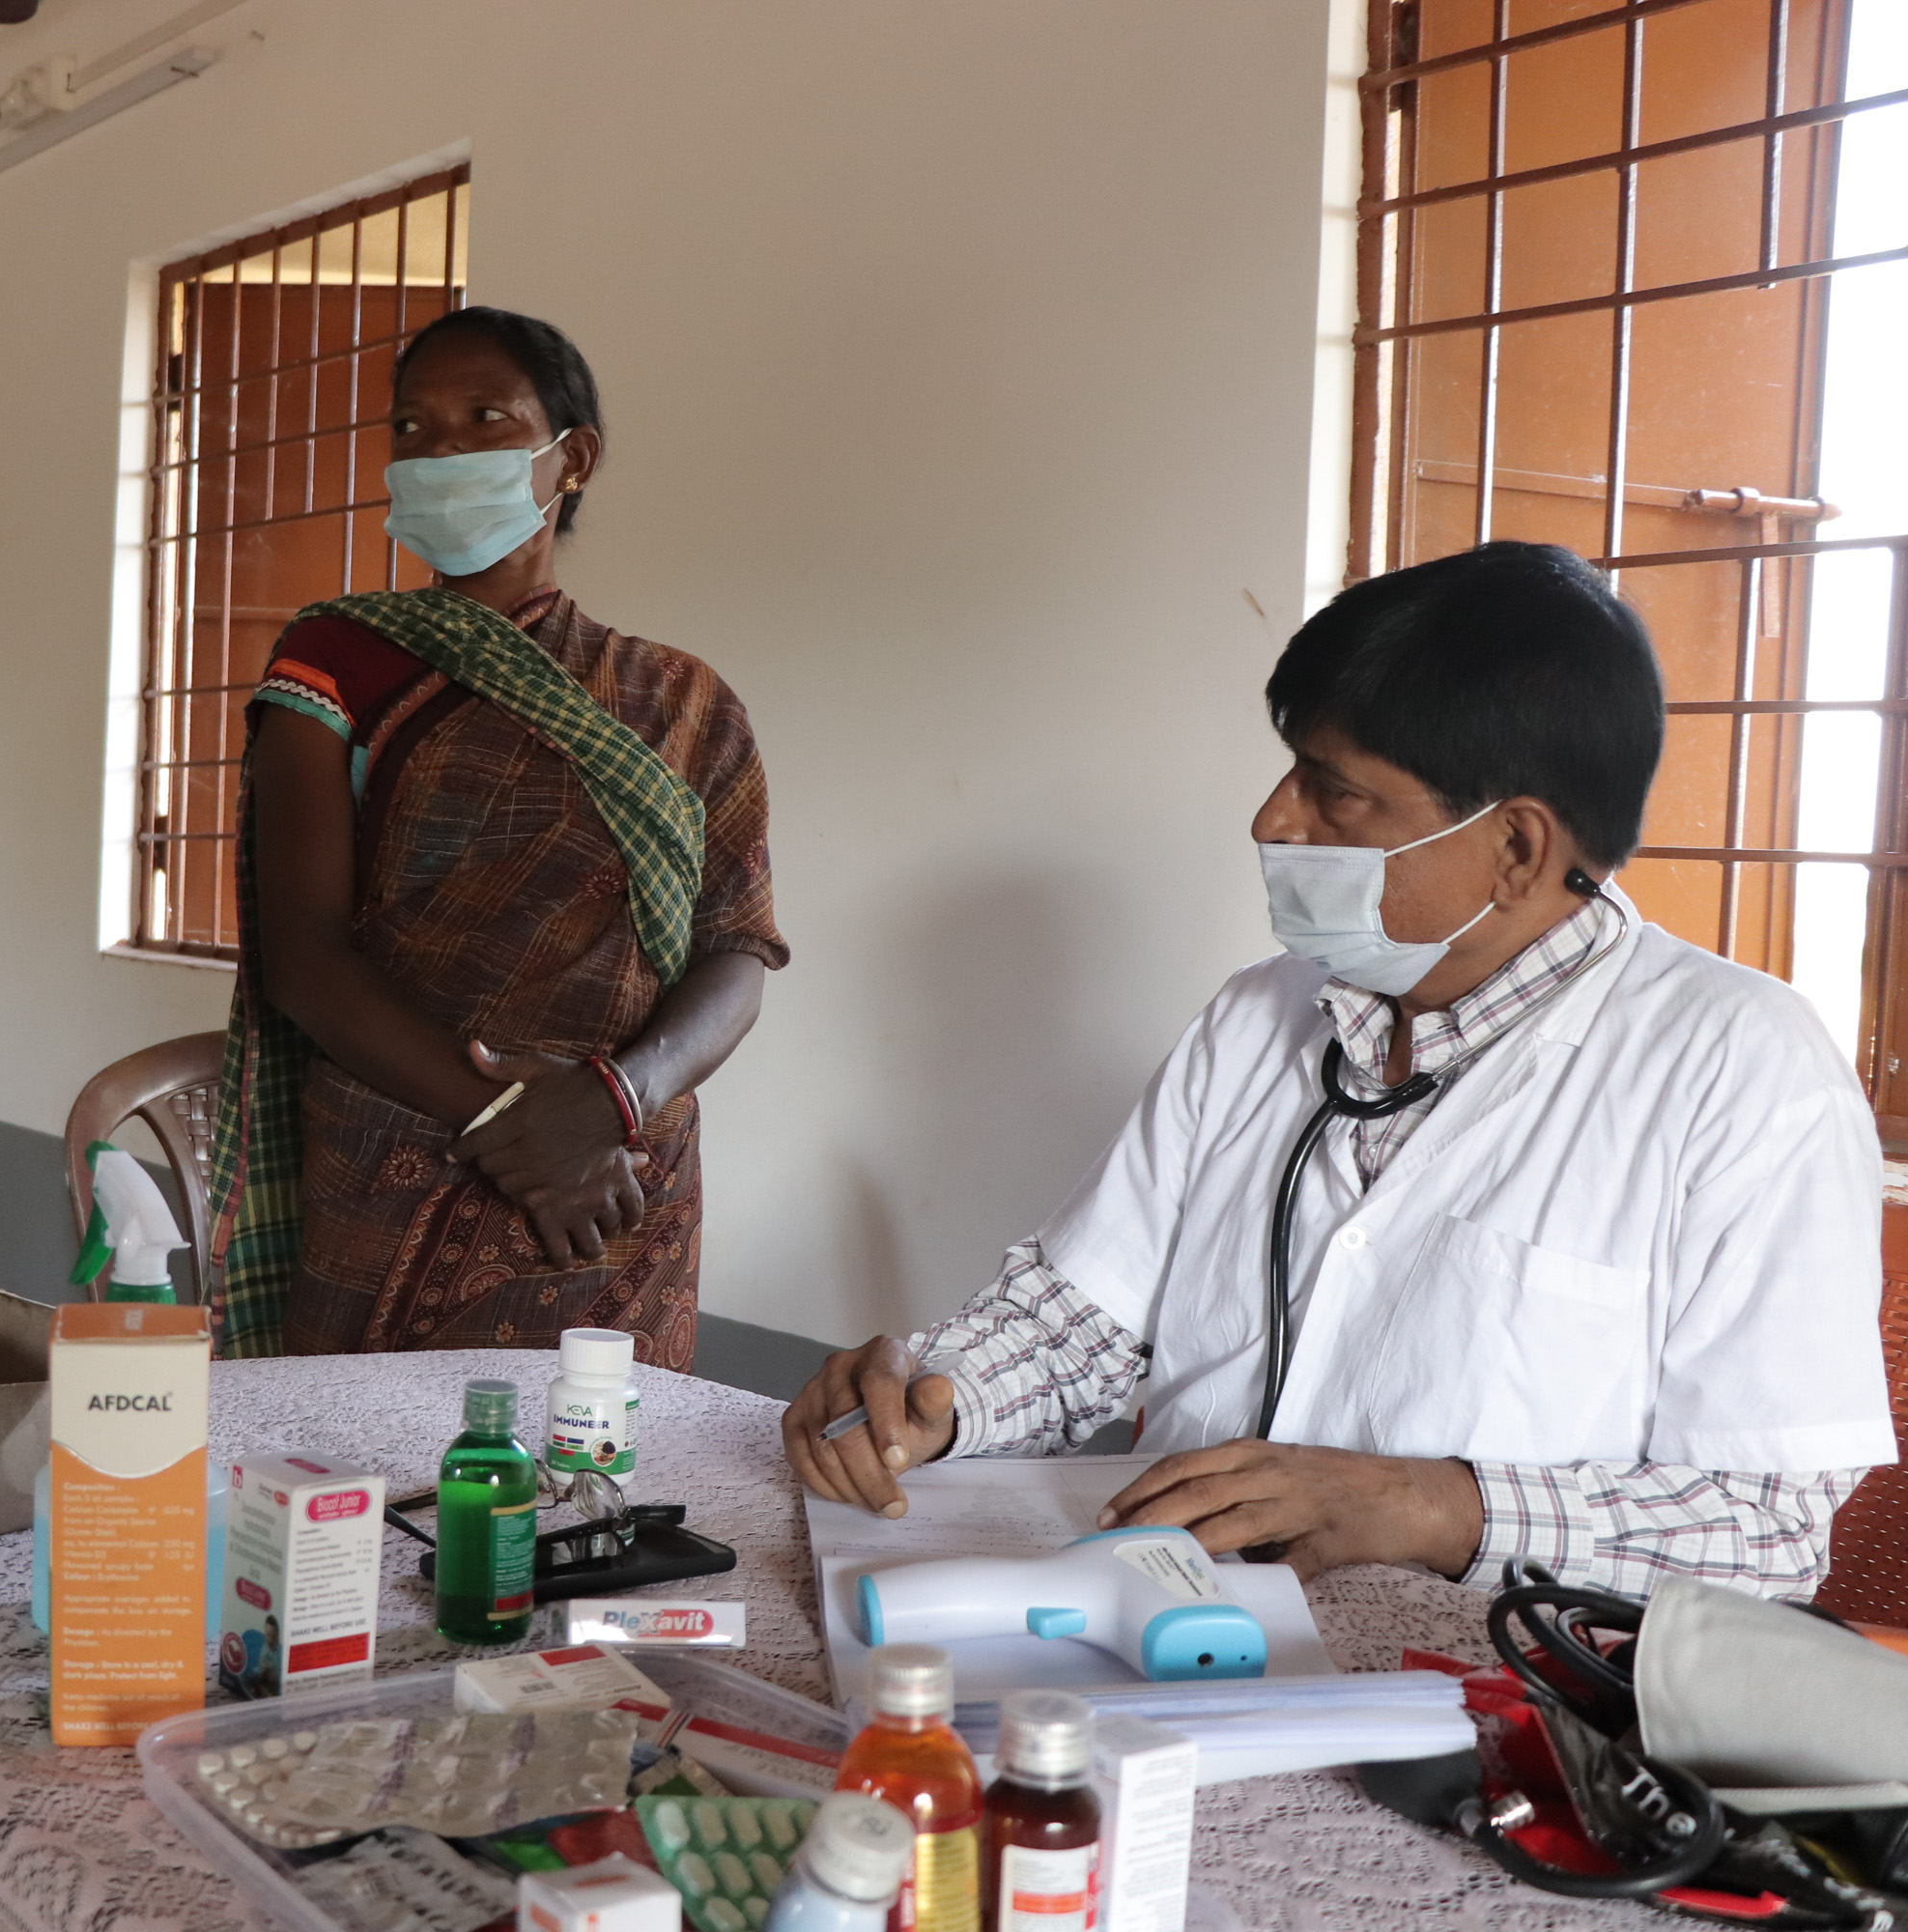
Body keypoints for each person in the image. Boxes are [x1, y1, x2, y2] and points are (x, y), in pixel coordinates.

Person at [784, 543, 1895, 1599]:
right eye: (1291, 772)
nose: (1273, 817)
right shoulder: (1260, 1013)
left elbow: (1768, 1530)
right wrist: (934, 1393)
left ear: (1516, 846)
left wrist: (1441, 1506)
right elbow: (1084, 1318)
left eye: (1336, 789)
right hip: (1156, 1614)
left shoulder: (1743, 1073)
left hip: (1477, 1696)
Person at [204, 308, 788, 1365]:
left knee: (602, 1495)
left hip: (619, 1183)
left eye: (483, 418)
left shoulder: (686, 702)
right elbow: (303, 957)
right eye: (413, 429)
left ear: (573, 458)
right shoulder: (337, 658)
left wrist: (612, 1101)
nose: (439, 451)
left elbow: (739, 954)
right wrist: (514, 1124)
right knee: (354, 1496)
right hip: (397, 1162)